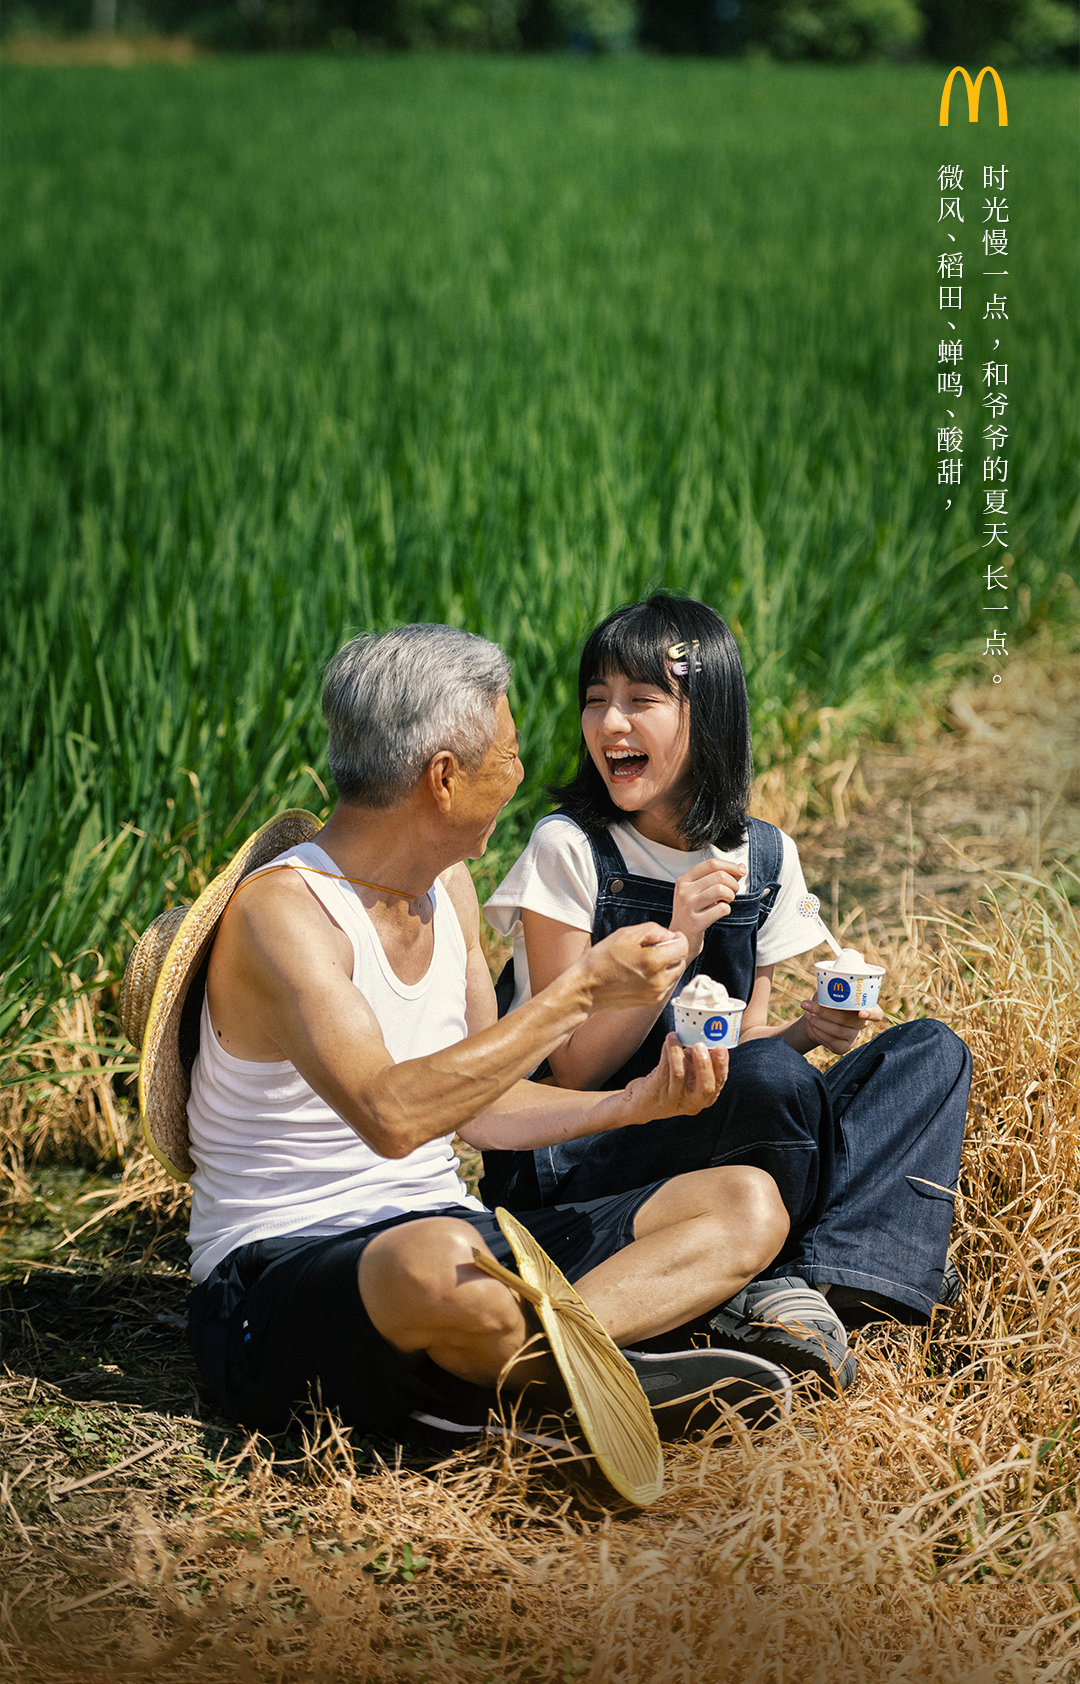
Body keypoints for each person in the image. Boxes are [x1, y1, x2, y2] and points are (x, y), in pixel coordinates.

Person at [125, 623, 799, 1451]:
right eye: (509, 756)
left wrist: (634, 1104)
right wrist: (582, 989)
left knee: (743, 1204)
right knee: (437, 1262)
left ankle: (545, 1378)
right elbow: (392, 1115)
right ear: (443, 777)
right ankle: (589, 1378)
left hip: (452, 1231)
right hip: (283, 1273)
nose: (523, 776)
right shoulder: (286, 914)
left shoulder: (446, 885)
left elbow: (483, 1107)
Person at [481, 593, 971, 1361]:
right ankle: (784, 1274)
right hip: (585, 1158)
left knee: (930, 1055)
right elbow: (573, 1066)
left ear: (706, 718)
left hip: (713, 1139)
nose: (610, 725)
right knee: (772, 1077)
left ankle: (826, 1275)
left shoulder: (764, 858)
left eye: (641, 701)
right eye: (595, 700)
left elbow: (743, 1044)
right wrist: (676, 939)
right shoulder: (570, 850)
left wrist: (811, 1032)